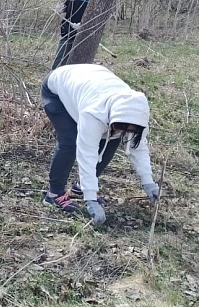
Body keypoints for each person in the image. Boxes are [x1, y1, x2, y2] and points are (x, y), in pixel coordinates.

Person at [41, 64, 161, 225]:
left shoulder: (137, 115)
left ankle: (80, 187)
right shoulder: (93, 114)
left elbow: (138, 148)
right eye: (121, 127)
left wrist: (148, 182)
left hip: (93, 83)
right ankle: (54, 194)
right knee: (70, 142)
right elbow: (87, 153)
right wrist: (91, 199)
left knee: (113, 139)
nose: (124, 132)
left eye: (128, 130)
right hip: (57, 89)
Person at [51, 0, 102, 69]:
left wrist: (83, 25)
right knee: (58, 67)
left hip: (84, 38)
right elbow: (66, 7)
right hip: (67, 34)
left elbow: (99, 16)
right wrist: (61, 8)